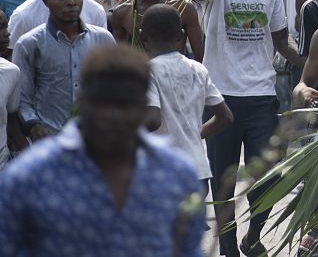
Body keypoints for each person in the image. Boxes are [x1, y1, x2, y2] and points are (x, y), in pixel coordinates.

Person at [0, 44, 206, 255]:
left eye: (125, 104)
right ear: (82, 102)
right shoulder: (31, 177)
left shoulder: (176, 175)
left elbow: (188, 250)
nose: (113, 115)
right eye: (103, 103)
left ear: (144, 104)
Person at [191, 0, 304, 257]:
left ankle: (253, 236)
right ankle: (228, 246)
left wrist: (313, 69)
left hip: (261, 97)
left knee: (269, 174)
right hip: (220, 99)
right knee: (223, 179)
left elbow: (281, 41)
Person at [14, 0, 116, 140]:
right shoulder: (29, 44)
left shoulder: (103, 39)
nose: (71, 3)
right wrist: (34, 125)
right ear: (45, 0)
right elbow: (22, 98)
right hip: (50, 140)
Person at [140, 4, 233, 188]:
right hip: (197, 171)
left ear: (143, 36)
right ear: (180, 35)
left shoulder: (148, 71)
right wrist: (193, 133)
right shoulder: (198, 69)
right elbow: (226, 117)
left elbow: (152, 121)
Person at [0, 12, 23, 167]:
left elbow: (11, 121)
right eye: (0, 28)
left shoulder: (11, 71)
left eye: (5, 26)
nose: (7, 33)